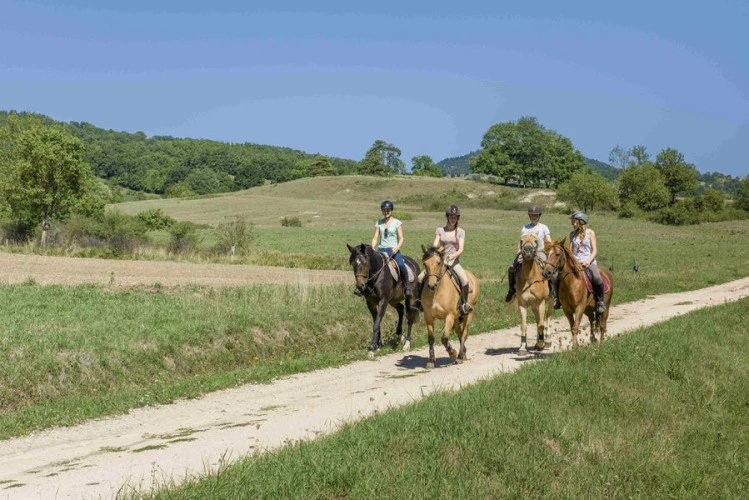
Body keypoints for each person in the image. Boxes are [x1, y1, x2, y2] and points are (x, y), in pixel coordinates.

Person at [412, 204, 472, 314]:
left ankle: (464, 304)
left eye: (455, 217)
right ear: (447, 217)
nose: (453, 219)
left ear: (457, 218)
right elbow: (435, 245)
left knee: (464, 279)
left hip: (453, 261)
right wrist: (433, 254)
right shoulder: (440, 230)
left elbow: (461, 249)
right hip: (439, 261)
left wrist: (453, 256)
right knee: (420, 278)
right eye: (451, 216)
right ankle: (418, 301)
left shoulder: (460, 232)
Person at [355, 200, 412, 297]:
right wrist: (373, 247)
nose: (386, 212)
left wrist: (397, 247)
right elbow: (375, 237)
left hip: (393, 250)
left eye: (388, 210)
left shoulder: (397, 223)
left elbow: (401, 238)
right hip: (381, 249)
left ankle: (407, 287)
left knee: (401, 265)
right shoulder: (379, 223)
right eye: (384, 210)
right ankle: (362, 288)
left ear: (391, 210)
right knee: (369, 266)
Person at [505, 205, 558, 306]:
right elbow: (521, 241)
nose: (534, 217)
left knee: (548, 269)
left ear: (539, 216)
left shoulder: (543, 227)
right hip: (525, 253)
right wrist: (519, 249)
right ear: (529, 216)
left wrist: (549, 247)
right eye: (532, 215)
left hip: (539, 252)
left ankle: (552, 290)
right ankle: (511, 290)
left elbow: (548, 240)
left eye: (536, 215)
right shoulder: (525, 228)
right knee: (512, 267)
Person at [569, 211, 606, 313]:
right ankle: (559, 300)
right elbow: (571, 251)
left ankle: (601, 301)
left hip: (588, 262)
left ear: (581, 222)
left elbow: (594, 250)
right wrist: (572, 261)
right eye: (572, 222)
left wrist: (588, 261)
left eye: (574, 222)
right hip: (576, 263)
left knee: (597, 278)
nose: (572, 224)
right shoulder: (572, 234)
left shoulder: (590, 233)